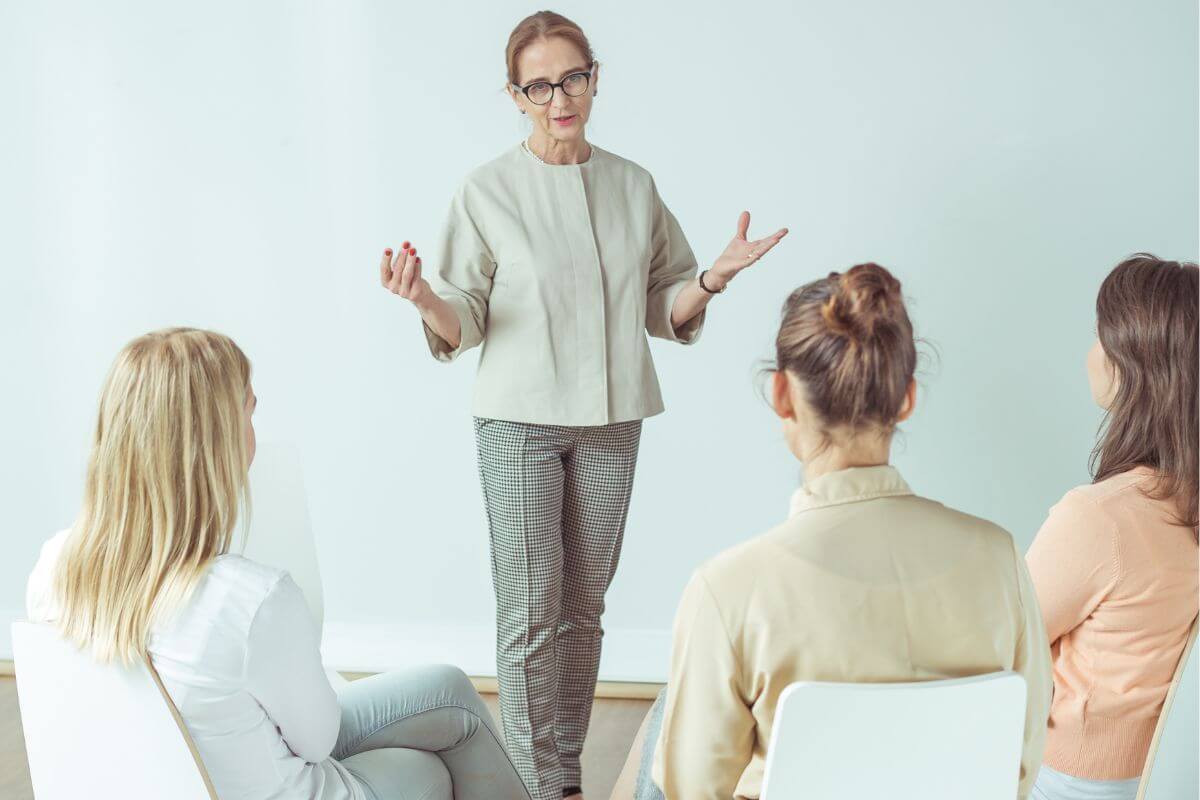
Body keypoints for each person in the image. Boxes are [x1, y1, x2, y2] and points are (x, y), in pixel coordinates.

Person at [376, 11, 787, 800]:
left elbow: (665, 300)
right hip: (518, 421)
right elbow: (465, 314)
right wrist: (426, 295)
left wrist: (713, 279)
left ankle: (563, 770)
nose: (559, 97)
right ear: (514, 95)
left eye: (572, 77)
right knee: (531, 612)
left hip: (611, 419)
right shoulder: (486, 190)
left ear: (595, 76)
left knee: (583, 609)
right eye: (539, 84)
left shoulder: (633, 185)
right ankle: (539, 784)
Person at [26, 328, 530, 800]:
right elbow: (318, 741)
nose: (253, 429)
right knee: (428, 767)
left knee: (445, 688)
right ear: (217, 443)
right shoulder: (249, 600)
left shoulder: (53, 569)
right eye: (248, 410)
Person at [610, 264, 1053, 800]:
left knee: (668, 718)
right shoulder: (998, 559)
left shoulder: (728, 590)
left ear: (782, 395)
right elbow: (1019, 766)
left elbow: (691, 791)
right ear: (908, 398)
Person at [1027, 255, 1199, 800]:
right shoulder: (1184, 503)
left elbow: (1004, 639)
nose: (1091, 354)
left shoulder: (1101, 516)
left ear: (1130, 365)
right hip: (1159, 774)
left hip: (1070, 778)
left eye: (1100, 338)